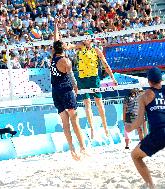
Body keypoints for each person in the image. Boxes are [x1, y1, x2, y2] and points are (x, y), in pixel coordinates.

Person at [65, 34, 118, 139]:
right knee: (87, 104)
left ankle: (105, 127)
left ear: (91, 39)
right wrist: (64, 42)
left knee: (99, 102)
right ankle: (92, 129)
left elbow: (105, 64)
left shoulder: (96, 50)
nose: (84, 39)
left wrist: (112, 77)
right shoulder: (80, 46)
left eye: (87, 37)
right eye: (84, 37)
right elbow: (68, 46)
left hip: (93, 78)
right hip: (82, 78)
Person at [50, 19, 86, 160]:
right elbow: (72, 78)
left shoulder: (53, 57)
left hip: (55, 92)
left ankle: (72, 150)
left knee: (65, 122)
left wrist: (56, 26)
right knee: (74, 120)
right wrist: (76, 88)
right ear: (63, 48)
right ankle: (82, 147)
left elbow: (56, 40)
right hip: (65, 90)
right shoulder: (66, 61)